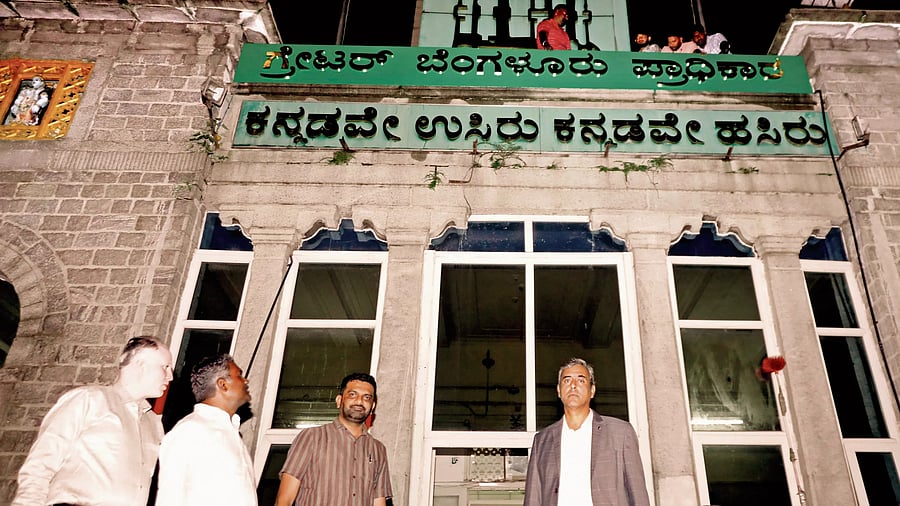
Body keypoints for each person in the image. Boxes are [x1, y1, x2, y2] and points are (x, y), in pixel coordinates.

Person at [12, 336, 173, 506]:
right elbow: (41, 462)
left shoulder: (153, 423)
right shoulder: (89, 399)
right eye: (165, 367)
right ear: (141, 365)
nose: (170, 377)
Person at [524, 358, 650, 506]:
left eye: (581, 381)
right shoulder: (542, 441)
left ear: (592, 391)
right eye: (567, 380)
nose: (573, 386)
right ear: (558, 390)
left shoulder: (620, 433)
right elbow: (533, 498)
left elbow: (638, 494)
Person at [275, 372, 392, 506]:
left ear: (372, 407)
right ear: (339, 401)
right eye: (352, 395)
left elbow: (378, 502)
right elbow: (284, 500)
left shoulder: (378, 449)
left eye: (367, 397)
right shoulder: (312, 437)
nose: (359, 401)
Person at [156, 354, 256, 505]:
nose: (245, 380)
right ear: (223, 384)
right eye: (239, 376)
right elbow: (170, 496)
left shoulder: (232, 433)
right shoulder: (190, 431)